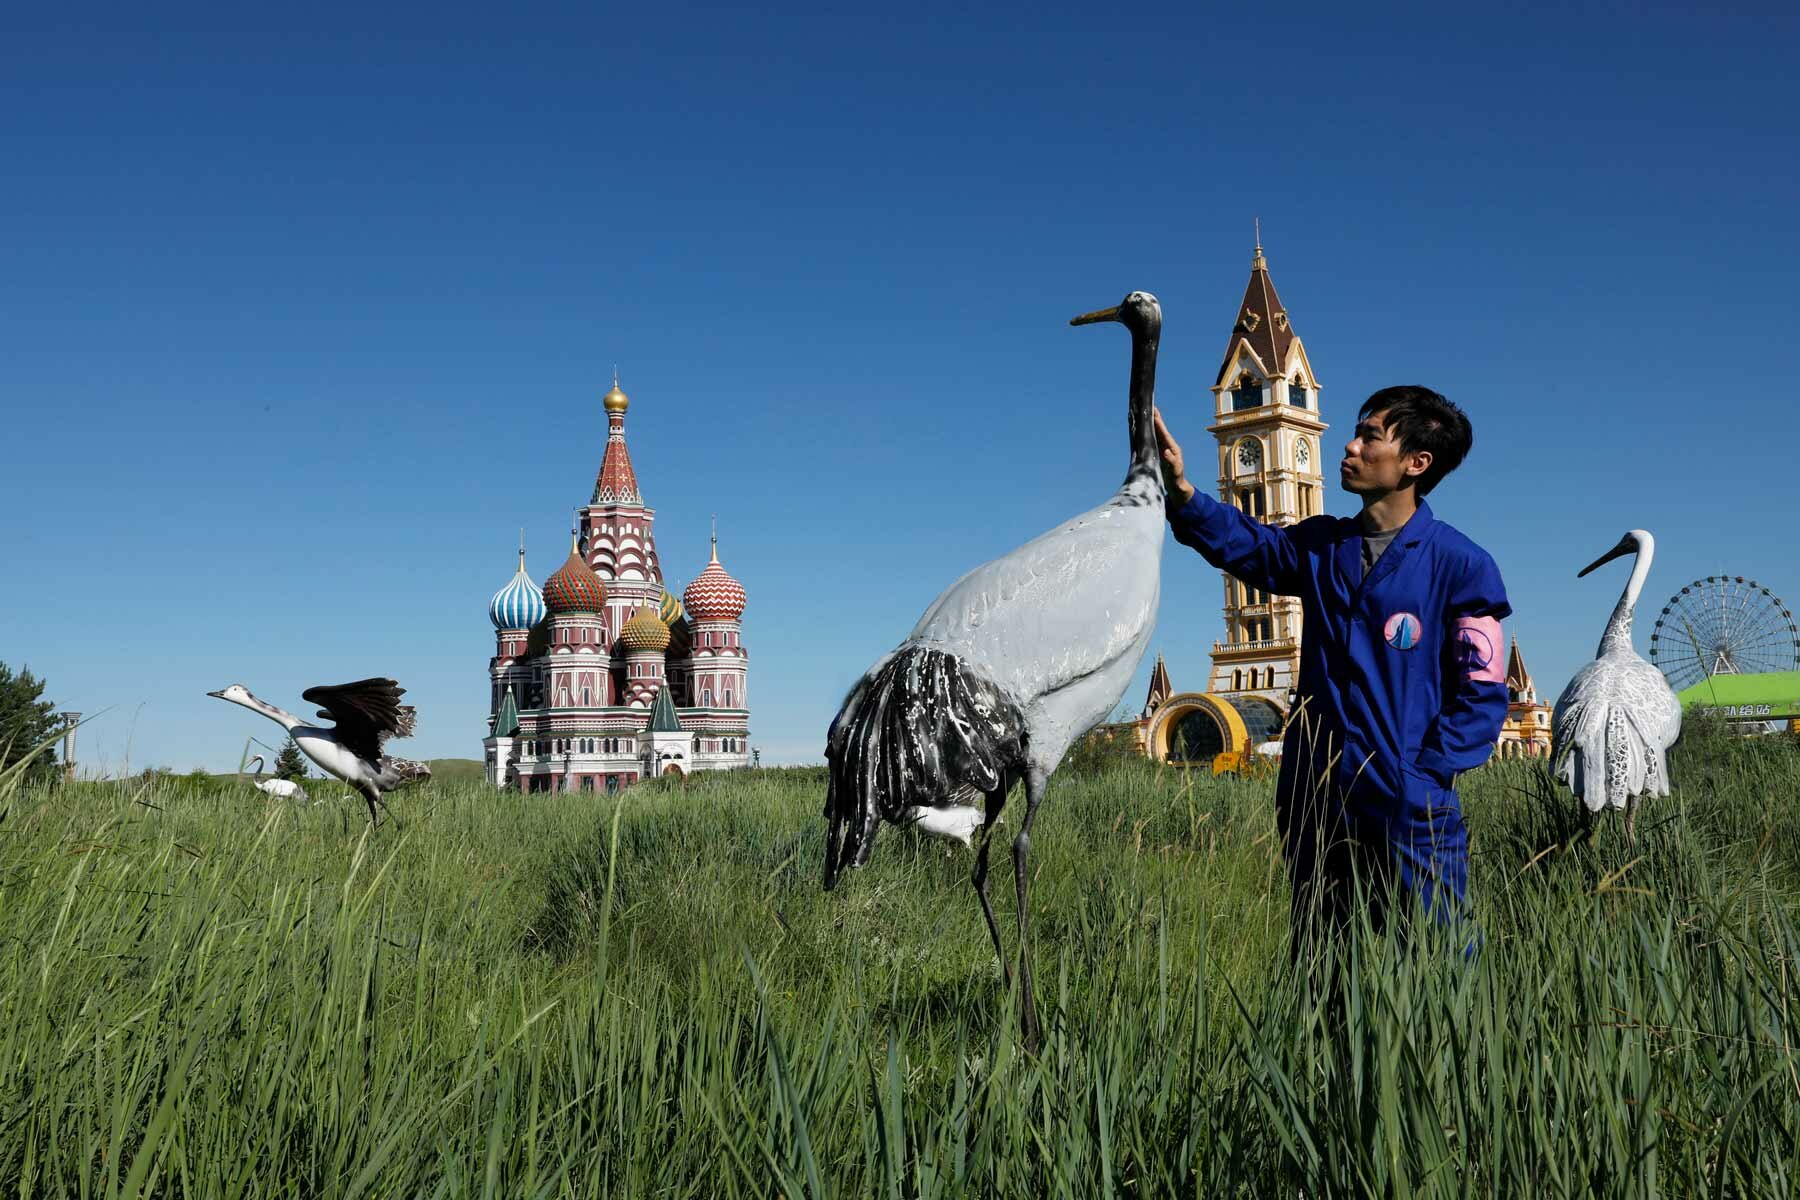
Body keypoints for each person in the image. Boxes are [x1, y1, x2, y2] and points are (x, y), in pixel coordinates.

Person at [1154, 386, 1510, 953]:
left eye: (1371, 436)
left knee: (1436, 956)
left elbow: (1483, 689)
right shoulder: (1323, 548)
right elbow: (1250, 546)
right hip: (1313, 795)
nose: (1349, 445)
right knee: (1322, 957)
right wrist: (1182, 490)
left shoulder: (1460, 565)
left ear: (1416, 463)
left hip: (1408, 804)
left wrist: (1420, 776)